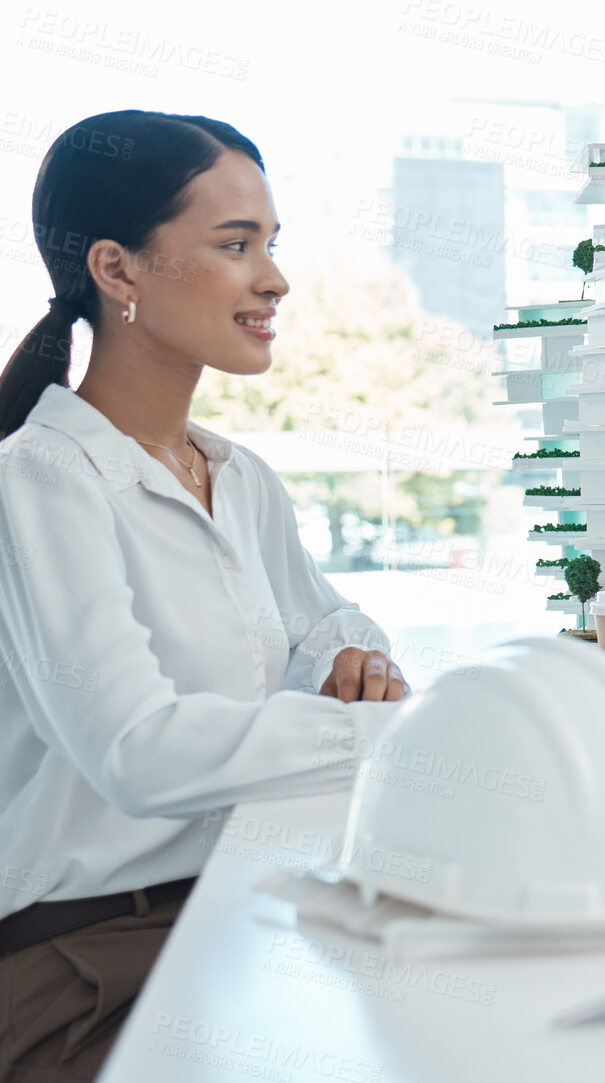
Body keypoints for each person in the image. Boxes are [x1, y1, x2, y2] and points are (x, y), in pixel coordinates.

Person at [0, 110, 411, 1079]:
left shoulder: (235, 473)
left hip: (235, 906)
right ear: (117, 269)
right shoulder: (40, 482)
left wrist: (356, 664)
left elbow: (334, 627)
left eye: (270, 244)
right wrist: (388, 732)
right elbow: (137, 751)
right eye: (235, 245)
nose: (274, 278)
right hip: (84, 966)